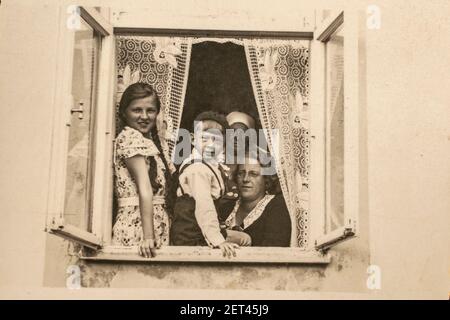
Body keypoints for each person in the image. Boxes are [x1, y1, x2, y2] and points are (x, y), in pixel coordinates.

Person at [170, 111, 249, 257]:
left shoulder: (211, 166)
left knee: (244, 239)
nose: (211, 145)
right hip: (190, 235)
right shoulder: (198, 169)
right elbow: (204, 206)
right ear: (193, 140)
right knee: (244, 240)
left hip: (201, 228)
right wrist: (218, 240)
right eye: (204, 139)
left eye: (216, 140)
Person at [112, 83, 175, 258]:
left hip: (157, 222)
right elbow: (144, 188)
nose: (144, 116)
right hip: (138, 225)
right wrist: (148, 236)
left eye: (151, 110)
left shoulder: (155, 142)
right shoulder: (129, 138)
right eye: (137, 110)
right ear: (124, 112)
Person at [219, 151, 291, 247]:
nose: (245, 179)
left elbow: (274, 253)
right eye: (241, 173)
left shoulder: (278, 207)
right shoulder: (226, 207)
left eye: (253, 174)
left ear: (267, 179)